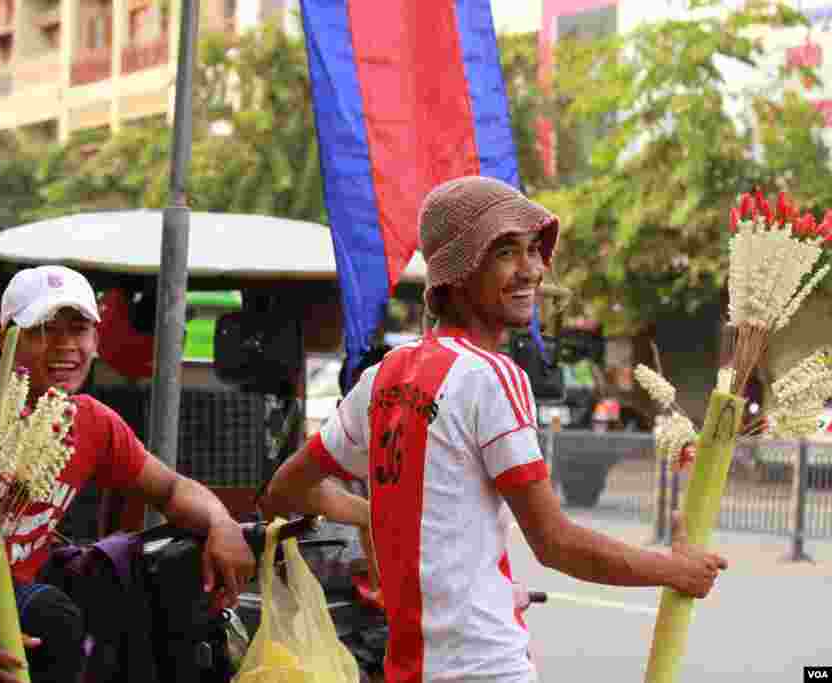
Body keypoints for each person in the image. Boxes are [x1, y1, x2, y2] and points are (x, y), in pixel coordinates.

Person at [262, 176, 727, 683]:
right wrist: (674, 570)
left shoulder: (382, 378)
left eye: (533, 250)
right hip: (483, 668)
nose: (533, 269)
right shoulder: (492, 377)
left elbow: (286, 489)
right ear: (458, 271)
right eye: (506, 252)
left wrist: (382, 519)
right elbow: (554, 543)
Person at [0, 265, 256, 683]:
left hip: (1, 598)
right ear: (6, 339)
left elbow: (171, 489)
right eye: (44, 330)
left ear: (96, 340)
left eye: (79, 330)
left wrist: (222, 523)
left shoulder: (93, 423)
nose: (66, 346)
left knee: (57, 619)